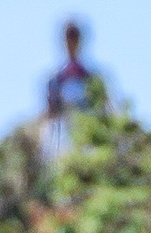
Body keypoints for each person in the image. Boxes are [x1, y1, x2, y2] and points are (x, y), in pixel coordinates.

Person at [41, 20, 98, 153]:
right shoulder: (56, 78)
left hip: (86, 129)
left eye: (74, 37)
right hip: (62, 131)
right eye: (69, 37)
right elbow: (50, 111)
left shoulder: (89, 76)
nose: (71, 42)